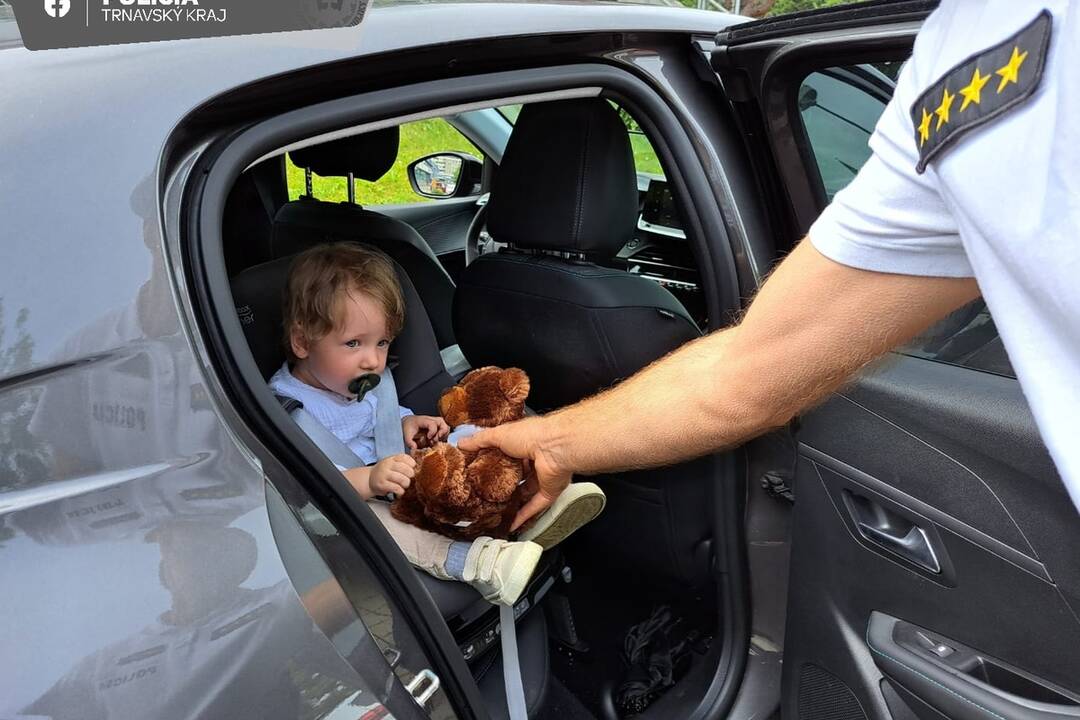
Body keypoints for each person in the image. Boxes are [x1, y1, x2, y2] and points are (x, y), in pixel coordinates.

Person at [461, 0, 1080, 527]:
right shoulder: (960, 63)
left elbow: (744, 372)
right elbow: (745, 376)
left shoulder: (973, 63)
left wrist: (552, 437)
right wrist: (549, 441)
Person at [269, 242, 603, 605]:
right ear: (302, 342)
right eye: (353, 343)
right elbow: (306, 488)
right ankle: (476, 564)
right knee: (380, 523)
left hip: (400, 470)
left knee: (469, 438)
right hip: (348, 500)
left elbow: (375, 414)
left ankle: (527, 501)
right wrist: (368, 480)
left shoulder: (352, 379)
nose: (373, 361)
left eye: (382, 343)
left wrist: (406, 422)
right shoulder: (289, 409)